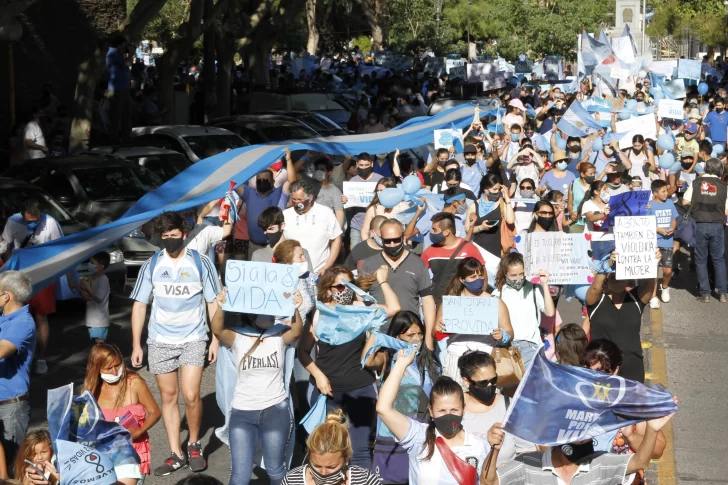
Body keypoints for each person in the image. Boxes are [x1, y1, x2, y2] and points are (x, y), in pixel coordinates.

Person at [130, 212, 222, 475]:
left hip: (194, 337)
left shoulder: (201, 262)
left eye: (174, 235)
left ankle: (193, 443)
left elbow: (213, 302)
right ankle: (175, 452)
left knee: (191, 395)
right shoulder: (151, 265)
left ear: (184, 234)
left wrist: (215, 339)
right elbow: (139, 305)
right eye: (165, 236)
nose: (169, 240)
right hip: (160, 340)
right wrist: (137, 345)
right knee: (168, 397)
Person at [298, 265, 400, 469]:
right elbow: (302, 352)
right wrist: (318, 376)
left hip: (360, 388)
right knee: (325, 451)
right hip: (326, 391)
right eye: (340, 287)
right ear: (328, 290)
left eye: (349, 285)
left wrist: (383, 280)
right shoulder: (319, 314)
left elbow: (394, 308)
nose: (345, 290)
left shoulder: (361, 310)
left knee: (360, 449)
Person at [210, 284, 304, 485]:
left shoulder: (279, 335)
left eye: (273, 311)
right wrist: (220, 306)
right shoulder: (237, 337)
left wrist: (295, 307)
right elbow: (217, 330)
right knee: (240, 476)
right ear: (251, 315)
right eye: (265, 312)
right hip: (243, 412)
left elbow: (296, 332)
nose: (272, 315)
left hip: (275, 410)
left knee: (276, 470)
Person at [484, 407, 675, 485]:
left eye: (588, 437)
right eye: (579, 438)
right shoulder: (528, 464)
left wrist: (651, 428)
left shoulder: (600, 463)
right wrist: (494, 449)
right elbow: (489, 482)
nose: (586, 442)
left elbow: (640, 461)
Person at [377, 352, 489, 485]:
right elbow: (383, 408)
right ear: (430, 411)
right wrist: (400, 365)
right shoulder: (418, 436)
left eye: (454, 410)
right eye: (441, 410)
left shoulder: (479, 446)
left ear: (463, 409)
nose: (448, 415)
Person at [367, 311, 439, 484]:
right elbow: (368, 361)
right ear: (397, 336)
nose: (416, 339)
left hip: (421, 437)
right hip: (390, 439)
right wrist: (375, 332)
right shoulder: (387, 357)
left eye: (420, 333)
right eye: (410, 335)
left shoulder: (430, 361)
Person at [0, 199, 66, 375]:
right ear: (22, 216)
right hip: (18, 273)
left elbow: (60, 248)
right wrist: (10, 265)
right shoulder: (13, 222)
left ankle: (41, 358)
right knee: (11, 312)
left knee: (41, 317)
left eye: (36, 220)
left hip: (42, 274)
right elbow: (5, 246)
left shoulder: (50, 222)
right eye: (29, 221)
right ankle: (13, 353)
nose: (33, 224)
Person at [582, 339, 667, 474]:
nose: (596, 378)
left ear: (616, 370)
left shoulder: (630, 403)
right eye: (589, 371)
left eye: (603, 372)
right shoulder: (573, 397)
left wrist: (631, 436)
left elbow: (659, 449)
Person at [83, 344, 161, 484]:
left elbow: (155, 412)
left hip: (133, 452)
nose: (114, 372)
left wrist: (139, 431)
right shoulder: (92, 390)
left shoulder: (134, 382)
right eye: (108, 368)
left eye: (118, 365)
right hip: (104, 456)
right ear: (97, 369)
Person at [585, 250, 659, 383]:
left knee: (633, 403)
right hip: (601, 366)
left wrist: (652, 262)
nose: (618, 280)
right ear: (607, 280)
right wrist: (606, 265)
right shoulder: (596, 301)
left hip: (632, 365)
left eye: (621, 276)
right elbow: (595, 288)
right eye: (614, 277)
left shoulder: (636, 299)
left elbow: (649, 285)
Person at [437, 258, 514, 381]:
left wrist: (502, 335)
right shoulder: (450, 303)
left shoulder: (495, 302)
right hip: (456, 358)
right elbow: (434, 333)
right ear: (462, 280)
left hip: (486, 358)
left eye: (480, 276)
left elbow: (510, 332)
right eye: (472, 277)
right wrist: (440, 328)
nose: (478, 280)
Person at [361, 219, 436, 344]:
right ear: (380, 239)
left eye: (396, 240)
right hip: (378, 335)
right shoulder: (369, 264)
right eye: (387, 241)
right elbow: (359, 299)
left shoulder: (417, 263)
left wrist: (428, 335)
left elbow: (427, 301)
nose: (392, 244)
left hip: (410, 335)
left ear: (403, 237)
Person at [458, 351, 534, 466]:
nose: (489, 385)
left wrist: (507, 471)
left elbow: (527, 451)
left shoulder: (510, 406)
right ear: (466, 381)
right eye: (483, 382)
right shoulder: (455, 408)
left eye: (494, 380)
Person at [281, 410, 382, 485]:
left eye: (332, 467)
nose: (323, 473)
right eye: (316, 466)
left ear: (346, 458)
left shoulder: (365, 480)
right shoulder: (292, 480)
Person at [491, 253, 554, 369]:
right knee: (509, 385)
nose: (518, 278)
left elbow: (550, 312)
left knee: (530, 385)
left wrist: (544, 285)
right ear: (505, 274)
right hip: (507, 346)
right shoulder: (497, 294)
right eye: (513, 275)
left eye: (521, 274)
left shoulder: (535, 289)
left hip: (531, 346)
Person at [0, 271, 35, 470]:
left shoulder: (23, 323)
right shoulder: (4, 317)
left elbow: (2, 350)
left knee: (11, 467)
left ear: (7, 296)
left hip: (9, 408)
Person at [682, 158, 728, 302]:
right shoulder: (724, 186)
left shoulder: (696, 183)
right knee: (719, 259)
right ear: (720, 170)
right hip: (717, 225)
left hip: (700, 224)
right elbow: (726, 211)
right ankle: (723, 293)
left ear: (706, 169)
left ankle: (705, 294)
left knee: (700, 260)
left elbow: (685, 201)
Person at [422, 213, 486, 302]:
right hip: (438, 302)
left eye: (434, 230)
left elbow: (483, 274)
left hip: (463, 302)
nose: (432, 233)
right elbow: (418, 273)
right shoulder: (430, 251)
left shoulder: (469, 249)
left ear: (446, 232)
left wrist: (481, 298)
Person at [283, 181, 343, 276]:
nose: (296, 203)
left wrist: (327, 266)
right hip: (292, 273)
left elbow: (336, 239)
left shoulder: (325, 213)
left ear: (310, 197)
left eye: (299, 199)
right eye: (294, 199)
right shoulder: (285, 215)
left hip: (320, 273)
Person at [465, 174, 516, 257]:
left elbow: (510, 220)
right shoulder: (473, 206)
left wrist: (507, 199)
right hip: (478, 250)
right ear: (486, 190)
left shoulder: (502, 203)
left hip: (497, 251)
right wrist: (481, 227)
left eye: (499, 189)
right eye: (494, 189)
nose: (497, 192)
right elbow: (467, 229)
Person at [647, 180, 679, 308]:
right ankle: (653, 296)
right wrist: (657, 229)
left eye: (667, 191)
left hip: (667, 242)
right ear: (655, 193)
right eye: (663, 191)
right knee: (654, 271)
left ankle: (665, 287)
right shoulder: (649, 205)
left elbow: (674, 219)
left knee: (667, 270)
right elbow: (645, 223)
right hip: (654, 242)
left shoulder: (670, 203)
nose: (666, 193)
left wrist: (673, 227)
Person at [344, 154, 383, 249]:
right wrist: (346, 202)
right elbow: (349, 210)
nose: (364, 168)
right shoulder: (353, 181)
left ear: (372, 164)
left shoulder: (380, 180)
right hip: (357, 225)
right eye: (361, 165)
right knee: (356, 254)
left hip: (375, 226)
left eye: (366, 165)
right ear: (357, 165)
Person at [79, 252, 111, 344]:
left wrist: (88, 287)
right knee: (95, 342)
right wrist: (82, 288)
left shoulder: (103, 280)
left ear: (101, 267)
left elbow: (98, 298)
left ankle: (102, 358)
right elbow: (87, 297)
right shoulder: (91, 278)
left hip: (99, 320)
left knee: (99, 342)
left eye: (92, 263)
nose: (90, 265)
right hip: (92, 319)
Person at [106, 35, 133, 144]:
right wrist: (131, 53)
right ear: (119, 45)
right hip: (116, 89)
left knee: (127, 113)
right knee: (117, 114)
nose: (126, 47)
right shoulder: (112, 54)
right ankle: (114, 138)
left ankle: (127, 137)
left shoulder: (119, 54)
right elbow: (128, 63)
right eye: (125, 45)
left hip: (124, 88)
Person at [580, 180, 614, 261]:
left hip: (610, 239)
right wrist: (603, 214)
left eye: (607, 189)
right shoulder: (588, 204)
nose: (607, 191)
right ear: (596, 192)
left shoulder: (611, 204)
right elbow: (590, 218)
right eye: (605, 189)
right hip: (593, 240)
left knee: (609, 267)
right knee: (595, 267)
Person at [313, 157, 345, 229]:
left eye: (322, 170)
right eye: (317, 169)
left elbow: (339, 213)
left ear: (329, 172)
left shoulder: (335, 191)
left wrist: (339, 233)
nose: (319, 172)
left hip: (326, 227)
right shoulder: (309, 187)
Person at [567, 162, 596, 233]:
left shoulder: (595, 185)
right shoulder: (573, 184)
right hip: (577, 222)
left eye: (594, 173)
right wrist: (571, 213)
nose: (593, 175)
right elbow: (570, 202)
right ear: (582, 174)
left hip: (593, 222)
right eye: (591, 174)